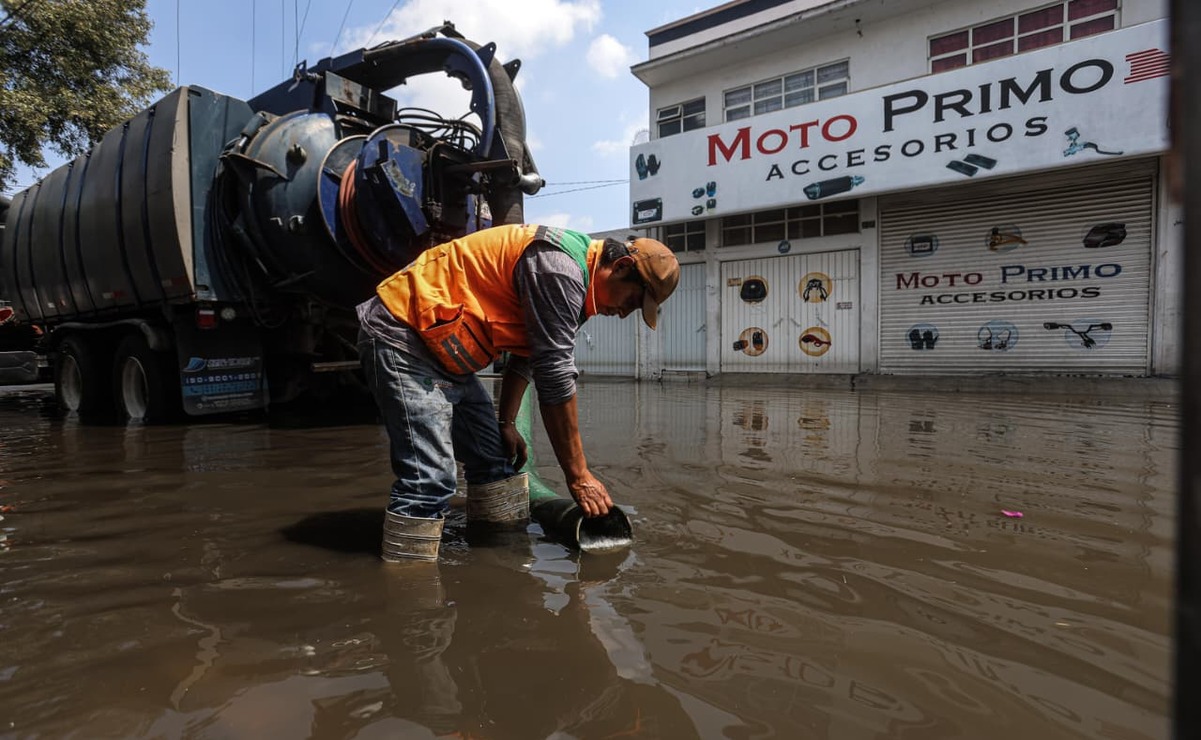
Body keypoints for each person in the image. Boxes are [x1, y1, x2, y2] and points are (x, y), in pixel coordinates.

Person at [356, 224, 680, 562]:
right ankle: (410, 583)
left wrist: (507, 422)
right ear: (621, 267)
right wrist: (579, 476)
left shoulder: (582, 290)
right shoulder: (559, 269)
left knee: (495, 461)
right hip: (404, 335)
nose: (625, 313)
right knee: (430, 480)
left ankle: (498, 564)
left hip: (443, 351)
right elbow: (554, 376)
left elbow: (526, 358)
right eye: (632, 301)